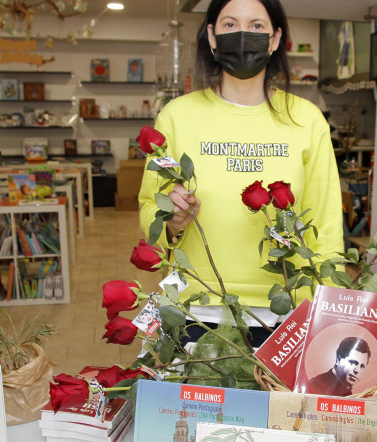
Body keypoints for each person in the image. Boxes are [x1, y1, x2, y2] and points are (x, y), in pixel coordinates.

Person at [138, 0, 343, 344]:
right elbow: (148, 210)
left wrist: (329, 313)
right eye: (230, 25)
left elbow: (326, 225)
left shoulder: (307, 121)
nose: (244, 35)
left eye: (257, 26)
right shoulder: (176, 117)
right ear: (212, 36)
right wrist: (171, 222)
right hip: (195, 309)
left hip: (286, 310)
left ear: (276, 39)